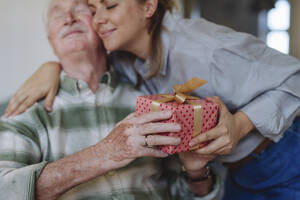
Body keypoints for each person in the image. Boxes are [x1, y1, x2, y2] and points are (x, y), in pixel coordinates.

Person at [5, 0, 300, 199]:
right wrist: (51, 67)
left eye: (109, 5)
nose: (98, 19)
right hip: (231, 171)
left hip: (280, 154)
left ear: (148, 6)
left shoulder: (203, 47)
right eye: (93, 9)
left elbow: (294, 77)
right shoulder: (125, 61)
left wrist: (238, 125)